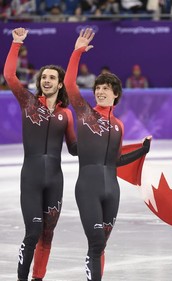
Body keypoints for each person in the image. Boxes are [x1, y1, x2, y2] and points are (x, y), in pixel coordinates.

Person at [64, 28, 151, 281]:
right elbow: (69, 84)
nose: (100, 91)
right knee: (96, 243)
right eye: (98, 88)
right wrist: (77, 52)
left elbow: (116, 161)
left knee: (101, 245)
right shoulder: (86, 114)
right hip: (88, 187)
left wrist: (141, 150)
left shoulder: (119, 125)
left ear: (116, 94)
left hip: (112, 190)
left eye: (106, 88)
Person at [4, 27, 78, 281]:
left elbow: (74, 148)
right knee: (33, 231)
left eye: (52, 78)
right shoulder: (28, 103)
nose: (46, 80)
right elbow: (10, 75)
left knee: (48, 234)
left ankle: (38, 278)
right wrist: (16, 43)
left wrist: (101, 142)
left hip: (55, 180)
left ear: (60, 84)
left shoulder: (66, 114)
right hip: (32, 178)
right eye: (43, 77)